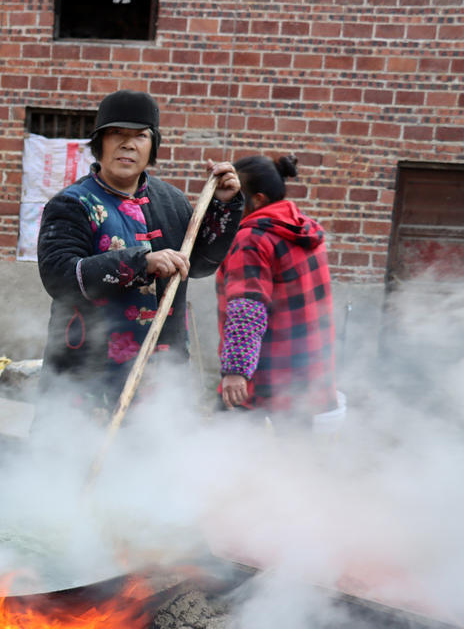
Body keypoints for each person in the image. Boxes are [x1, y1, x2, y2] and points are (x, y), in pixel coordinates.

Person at [36, 90, 243, 416]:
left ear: (153, 147)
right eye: (116, 134)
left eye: (140, 136)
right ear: (99, 144)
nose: (128, 144)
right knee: (79, 461)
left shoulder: (171, 201)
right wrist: (139, 262)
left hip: (162, 373)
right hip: (89, 374)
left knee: (152, 462)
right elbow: (60, 276)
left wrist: (225, 207)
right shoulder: (72, 204)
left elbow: (200, 264)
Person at [216, 153, 337, 422]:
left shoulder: (252, 238)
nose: (227, 202)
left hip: (263, 381)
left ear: (257, 199)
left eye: (235, 196)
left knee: (227, 458)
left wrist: (236, 371)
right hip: (305, 380)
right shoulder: (303, 229)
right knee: (292, 460)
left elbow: (247, 308)